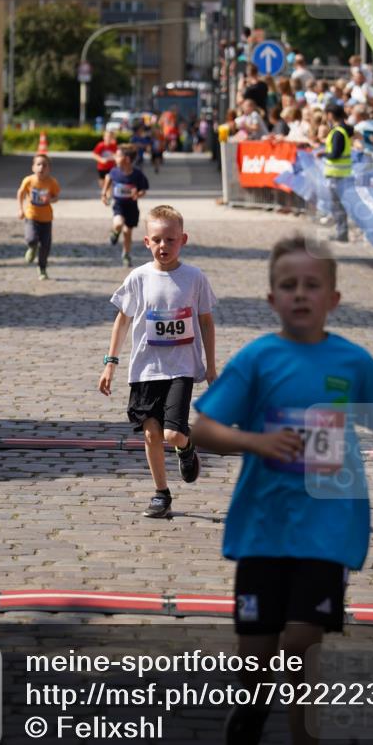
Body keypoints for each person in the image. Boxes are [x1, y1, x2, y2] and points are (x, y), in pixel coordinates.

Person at [191, 234, 373, 745]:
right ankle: (250, 703)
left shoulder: (353, 362)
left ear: (333, 299)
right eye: (288, 286)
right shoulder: (259, 359)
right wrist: (256, 443)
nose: (300, 294)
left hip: (326, 527)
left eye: (311, 286)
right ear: (272, 299)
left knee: (300, 644)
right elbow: (200, 427)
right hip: (264, 527)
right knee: (256, 654)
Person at [99, 204, 217, 518]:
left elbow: (206, 322)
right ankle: (161, 493)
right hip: (145, 368)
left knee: (172, 434)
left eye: (170, 240)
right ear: (146, 243)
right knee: (151, 434)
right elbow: (122, 321)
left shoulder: (194, 278)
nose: (163, 246)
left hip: (181, 367)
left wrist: (211, 365)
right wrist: (111, 362)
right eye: (157, 240)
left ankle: (186, 447)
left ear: (184, 240)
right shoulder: (138, 278)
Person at [101, 143, 149, 267]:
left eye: (117, 156)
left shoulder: (137, 174)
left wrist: (137, 194)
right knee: (118, 223)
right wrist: (104, 193)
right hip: (119, 205)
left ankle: (126, 254)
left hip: (132, 207)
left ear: (127, 159)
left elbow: (144, 189)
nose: (114, 158)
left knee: (127, 232)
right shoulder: (115, 171)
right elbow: (108, 178)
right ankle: (115, 233)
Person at [16, 153, 61, 281]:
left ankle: (42, 268)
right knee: (31, 238)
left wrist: (51, 199)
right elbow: (20, 193)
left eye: (44, 165)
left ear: (49, 169)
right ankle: (32, 247)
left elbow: (56, 196)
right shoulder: (29, 180)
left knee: (45, 246)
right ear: (33, 167)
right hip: (31, 215)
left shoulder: (52, 182)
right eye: (38, 164)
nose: (41, 167)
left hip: (47, 219)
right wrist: (20, 208)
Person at [322, 104, 354, 242]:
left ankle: (342, 233)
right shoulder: (341, 131)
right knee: (339, 206)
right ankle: (341, 232)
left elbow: (335, 154)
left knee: (338, 206)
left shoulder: (338, 132)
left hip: (336, 175)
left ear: (330, 115)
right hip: (340, 174)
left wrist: (324, 154)